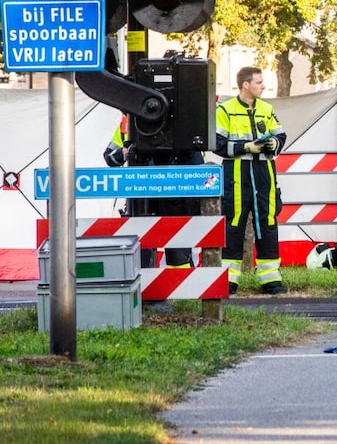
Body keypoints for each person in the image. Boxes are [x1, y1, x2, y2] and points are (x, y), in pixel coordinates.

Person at [215, 66, 288, 295]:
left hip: (264, 172)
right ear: (245, 84)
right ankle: (229, 280)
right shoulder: (224, 110)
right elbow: (216, 144)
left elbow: (281, 134)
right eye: (258, 82)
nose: (263, 86)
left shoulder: (266, 108)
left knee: (267, 222)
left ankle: (270, 278)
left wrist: (274, 143)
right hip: (236, 174)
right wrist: (246, 146)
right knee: (233, 224)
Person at [104, 113, 203, 270]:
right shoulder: (128, 124)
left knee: (177, 250)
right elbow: (109, 157)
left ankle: (180, 287)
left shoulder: (179, 124)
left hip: (173, 195)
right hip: (141, 198)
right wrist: (127, 152)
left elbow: (195, 164)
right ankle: (144, 288)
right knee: (143, 250)